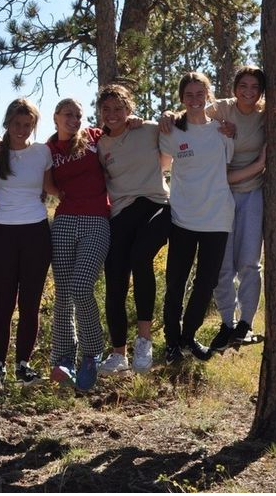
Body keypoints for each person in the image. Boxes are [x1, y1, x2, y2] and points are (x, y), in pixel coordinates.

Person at [204, 66, 276, 350]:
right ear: (234, 87)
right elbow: (189, 118)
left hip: (252, 194)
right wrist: (167, 117)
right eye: (244, 85)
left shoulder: (266, 114)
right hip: (220, 195)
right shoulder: (220, 110)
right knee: (222, 265)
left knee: (249, 263)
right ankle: (226, 323)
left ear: (262, 91)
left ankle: (245, 323)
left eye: (255, 87)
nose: (249, 92)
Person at [158, 71, 264, 364]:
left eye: (199, 94)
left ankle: (189, 337)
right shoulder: (172, 132)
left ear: (209, 96)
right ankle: (171, 343)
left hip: (217, 218)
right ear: (181, 98)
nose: (194, 100)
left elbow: (226, 170)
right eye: (188, 95)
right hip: (182, 218)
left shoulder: (222, 131)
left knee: (206, 284)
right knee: (176, 283)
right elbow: (160, 167)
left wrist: (260, 166)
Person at [96, 83, 170, 375]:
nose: (113, 114)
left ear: (130, 109)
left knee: (141, 258)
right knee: (114, 275)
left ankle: (144, 341)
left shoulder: (148, 129)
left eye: (119, 108)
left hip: (157, 205)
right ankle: (118, 354)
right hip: (122, 212)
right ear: (100, 113)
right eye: (107, 109)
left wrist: (168, 112)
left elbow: (175, 121)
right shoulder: (100, 144)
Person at [0, 98, 55, 388]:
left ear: (34, 126)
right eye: (17, 124)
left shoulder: (42, 152)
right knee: (2, 304)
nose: (22, 129)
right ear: (8, 124)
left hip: (36, 233)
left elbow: (51, 188)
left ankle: (24, 366)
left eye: (28, 125)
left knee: (30, 304)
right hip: (2, 233)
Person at [45, 98, 111, 392]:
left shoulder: (94, 138)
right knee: (63, 294)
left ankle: (92, 353)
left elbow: (122, 130)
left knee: (82, 287)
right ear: (56, 117)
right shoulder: (49, 149)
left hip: (96, 219)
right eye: (68, 115)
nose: (74, 120)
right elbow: (46, 181)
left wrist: (136, 122)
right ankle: (63, 360)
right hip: (64, 222)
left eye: (79, 115)